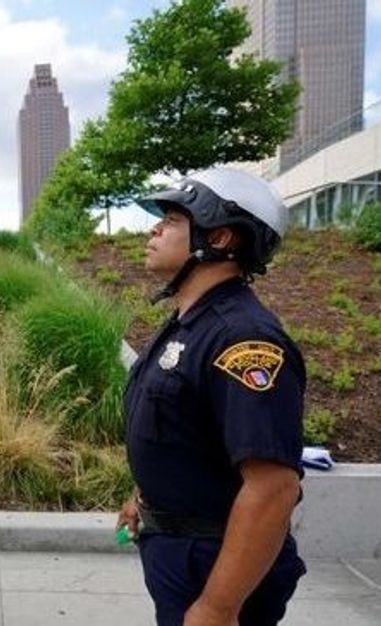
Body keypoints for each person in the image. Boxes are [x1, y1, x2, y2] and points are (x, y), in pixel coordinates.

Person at [117, 167, 307, 626]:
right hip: (182, 552)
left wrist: (219, 608)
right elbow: (186, 430)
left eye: (174, 220)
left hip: (214, 561)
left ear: (220, 238)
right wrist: (145, 494)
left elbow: (273, 487)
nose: (155, 229)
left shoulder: (243, 340)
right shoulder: (192, 324)